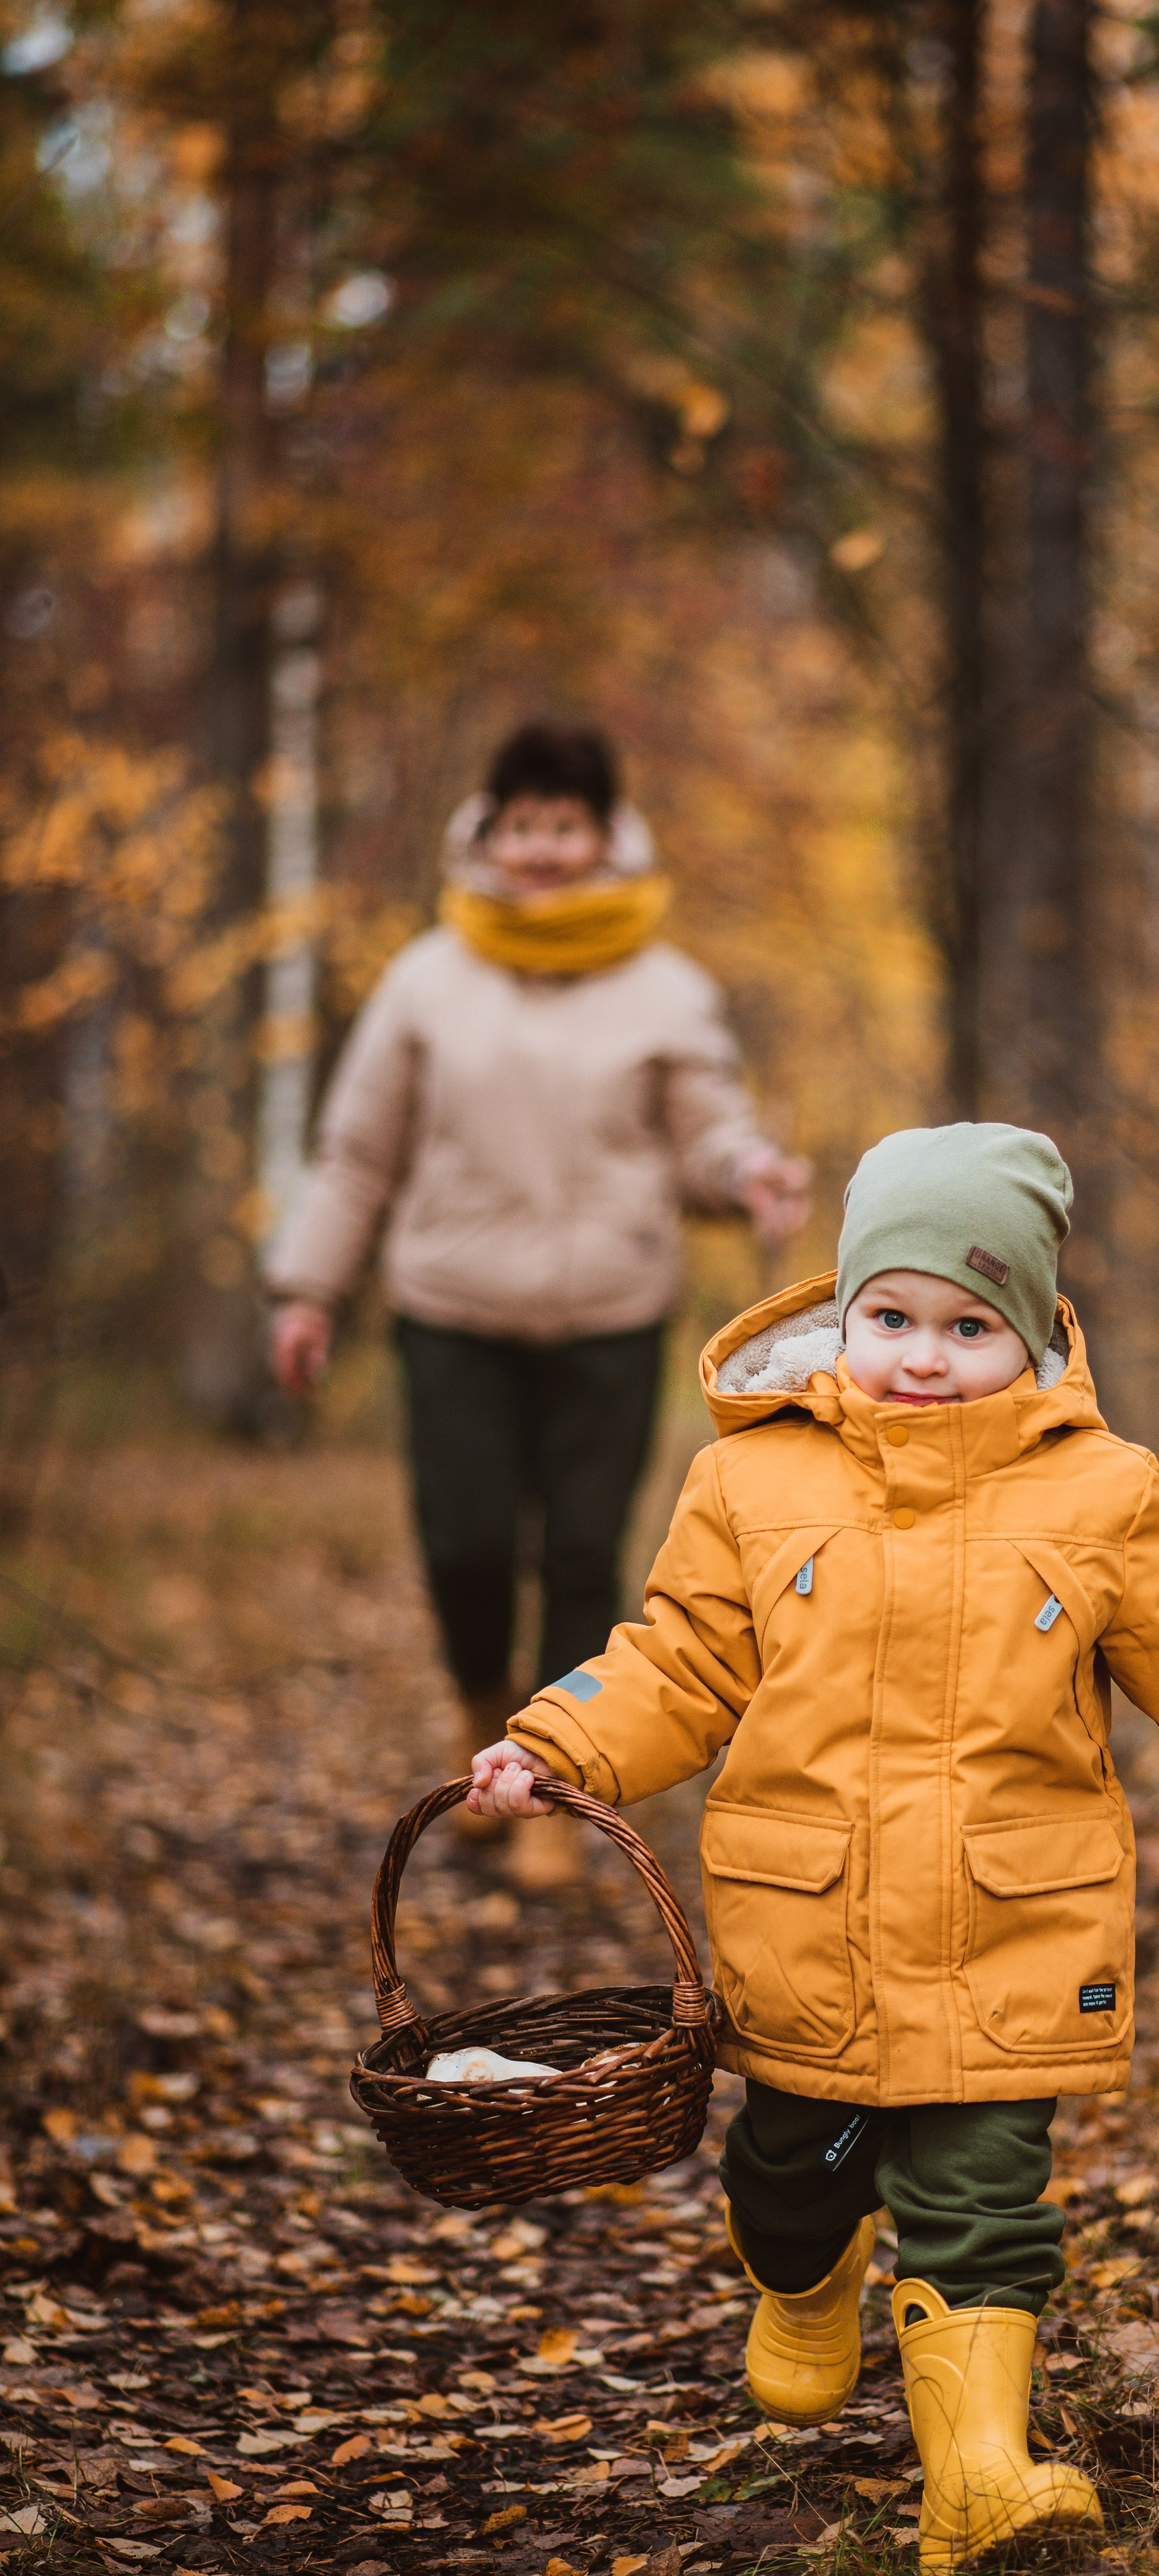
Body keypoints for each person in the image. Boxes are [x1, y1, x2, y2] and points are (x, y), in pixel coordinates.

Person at [467, 1121, 1159, 2575]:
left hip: (1011, 1930)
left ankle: (976, 2481)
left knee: (981, 2197)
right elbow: (677, 1660)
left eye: (968, 1325)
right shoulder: (753, 1484)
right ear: (842, 1313)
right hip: (807, 1929)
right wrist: (561, 1741)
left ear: (1028, 1333)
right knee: (787, 2168)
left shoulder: (1100, 1492)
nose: (921, 1353)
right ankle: (806, 2269)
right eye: (888, 1315)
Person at [266, 721, 808, 1883]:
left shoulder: (669, 987)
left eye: (567, 825)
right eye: (524, 826)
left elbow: (705, 1134)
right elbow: (357, 1152)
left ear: (606, 837)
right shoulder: (425, 978)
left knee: (580, 1555)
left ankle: (548, 1789)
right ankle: (484, 1728)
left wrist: (747, 1170)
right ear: (488, 832)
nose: (544, 850)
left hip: (611, 1316)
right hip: (451, 1311)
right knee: (464, 1548)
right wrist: (308, 1290)